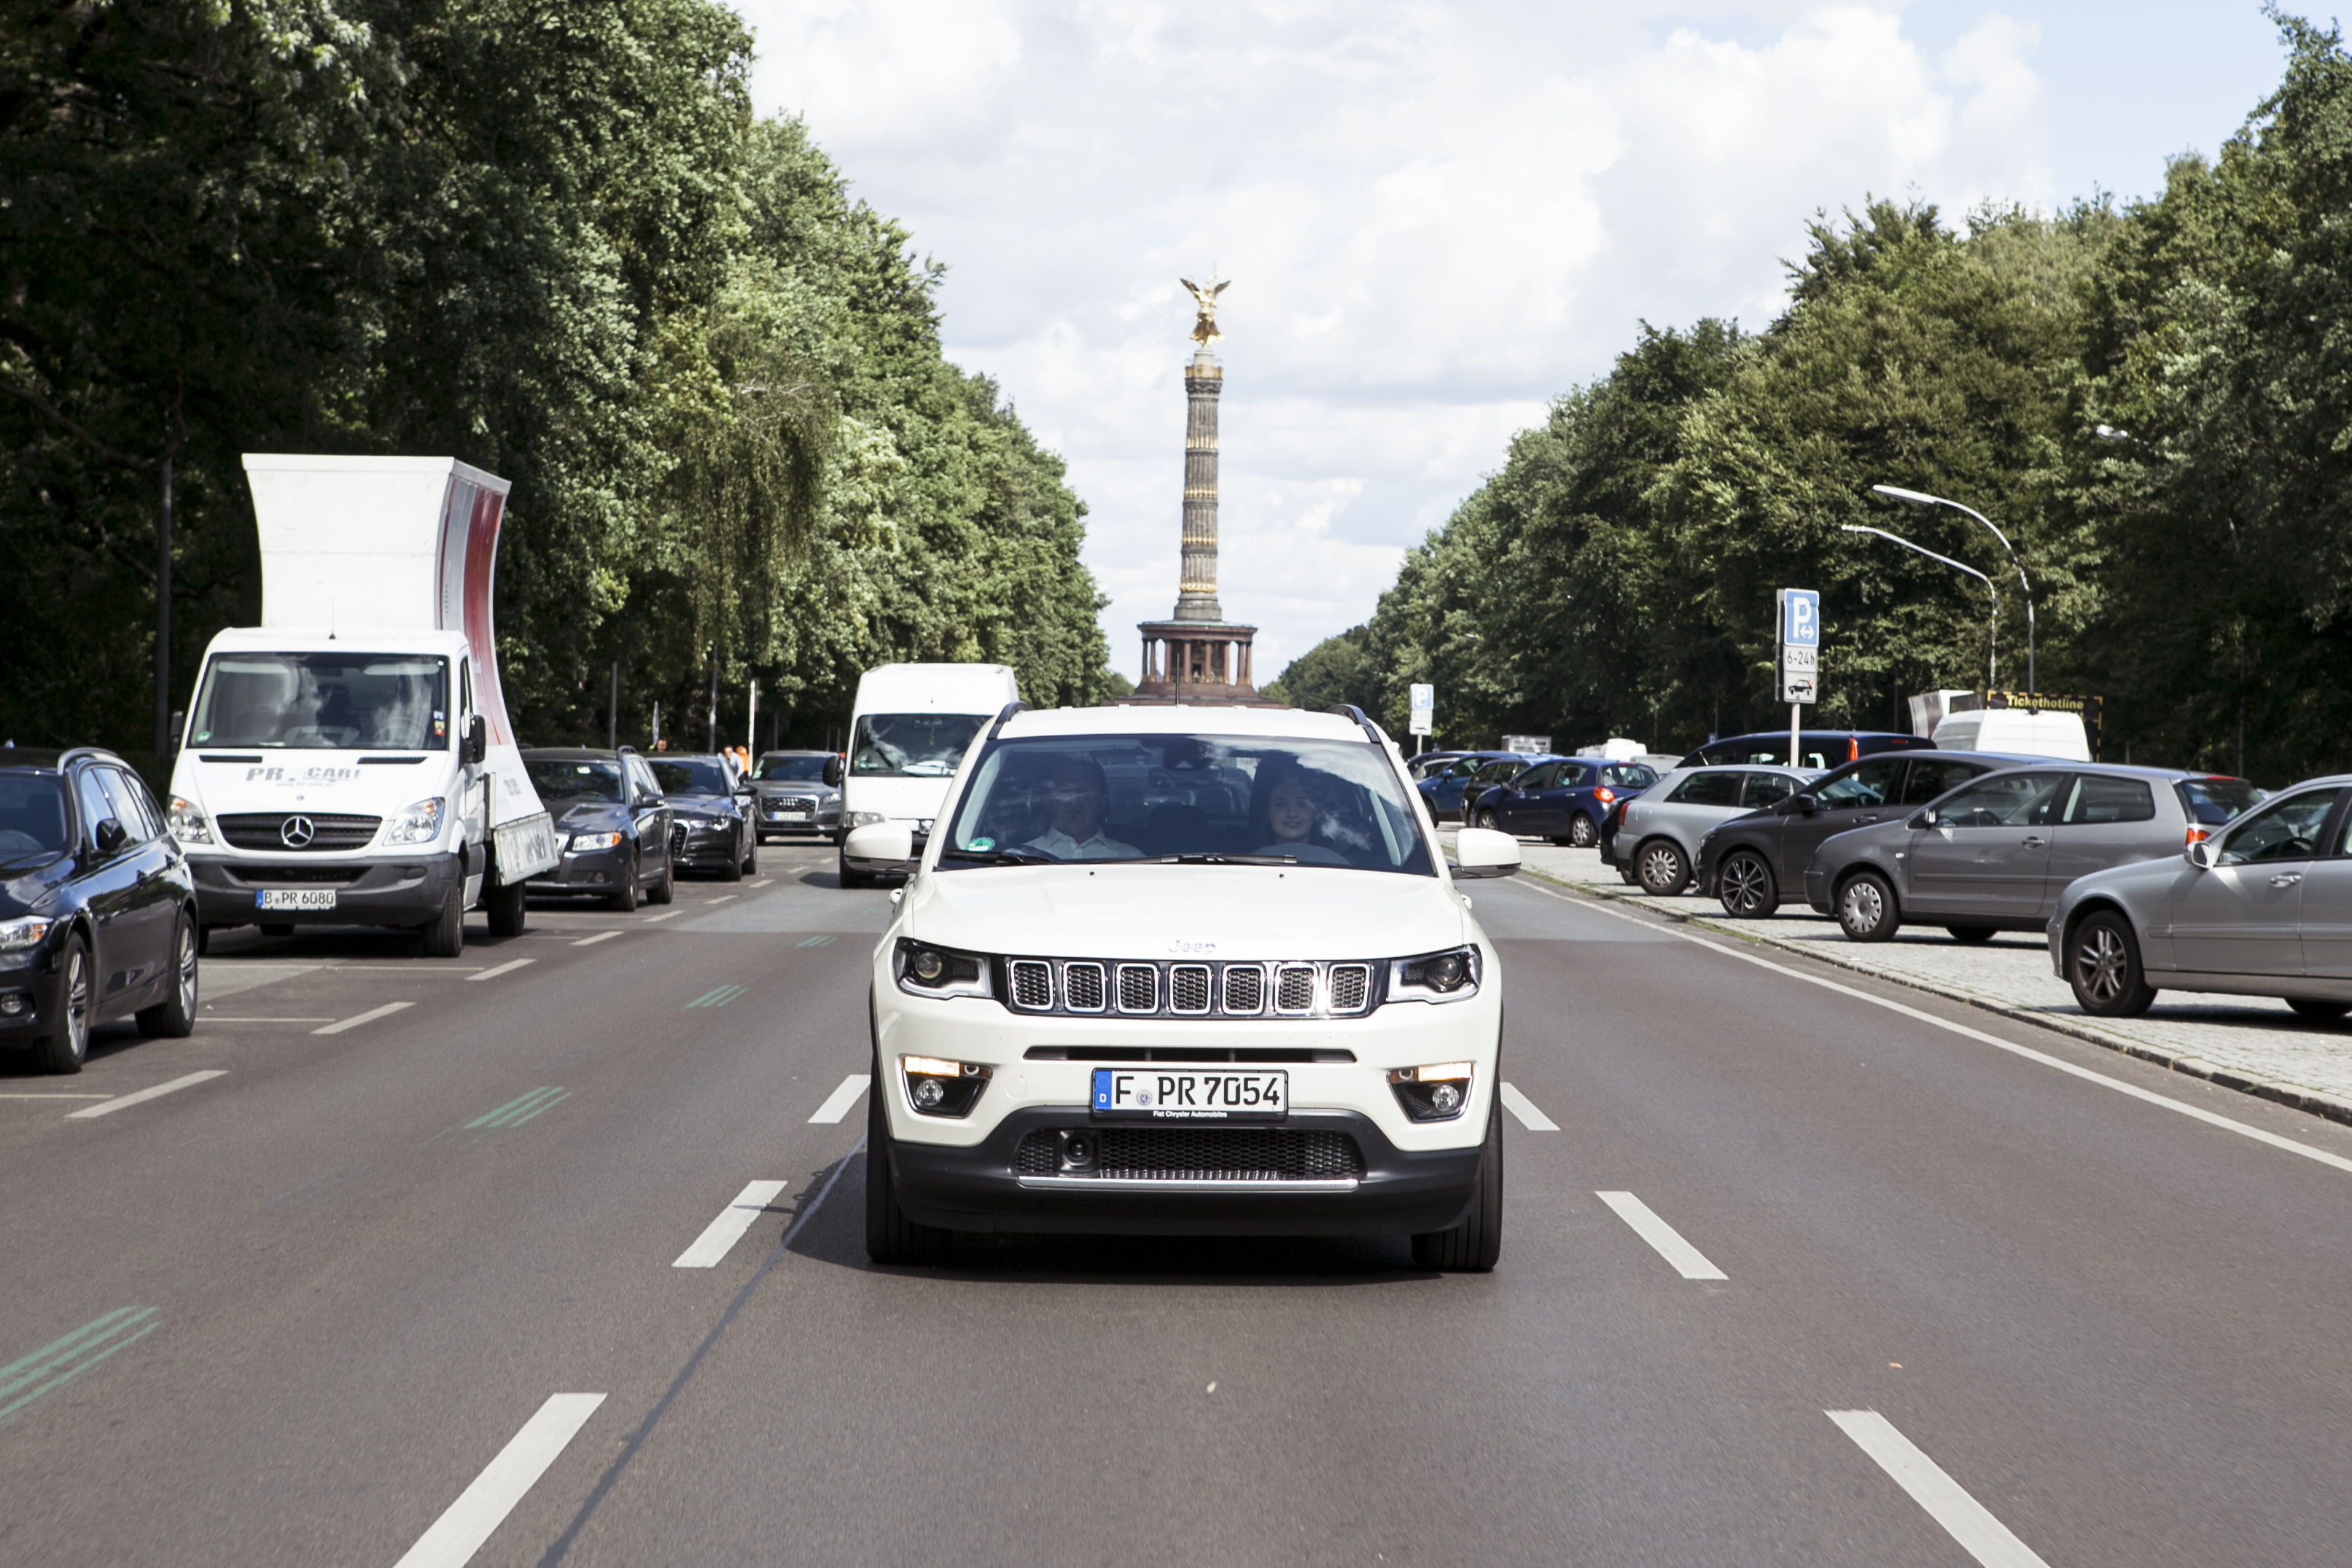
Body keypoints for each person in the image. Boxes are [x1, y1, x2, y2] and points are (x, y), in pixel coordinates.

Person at [1022, 757, 1140, 860]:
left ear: (1101, 803)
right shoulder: (1020, 858)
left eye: (1084, 792)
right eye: (1065, 791)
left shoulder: (1131, 858)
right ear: (1048, 803)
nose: (1074, 801)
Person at [1252, 769, 1351, 865]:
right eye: (1281, 804)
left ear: (1315, 813)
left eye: (1302, 804)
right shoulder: (1244, 866)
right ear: (1267, 814)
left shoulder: (1343, 868)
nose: (1292, 813)